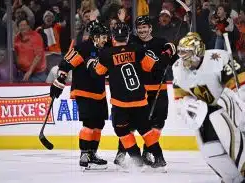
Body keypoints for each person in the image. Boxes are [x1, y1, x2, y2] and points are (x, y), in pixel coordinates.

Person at [86, 23, 175, 169]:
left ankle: (137, 160)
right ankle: (159, 158)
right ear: (127, 36)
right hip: (140, 100)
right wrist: (167, 53)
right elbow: (153, 66)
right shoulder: (138, 49)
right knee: (146, 130)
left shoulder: (107, 54)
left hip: (120, 103)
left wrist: (91, 64)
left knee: (122, 130)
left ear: (113, 37)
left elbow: (97, 73)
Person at [172, 32, 245, 183]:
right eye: (181, 52)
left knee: (233, 140)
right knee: (210, 150)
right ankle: (232, 178)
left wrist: (240, 100)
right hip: (206, 111)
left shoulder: (218, 58)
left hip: (225, 108)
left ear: (198, 50)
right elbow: (180, 94)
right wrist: (185, 103)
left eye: (187, 52)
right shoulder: (178, 68)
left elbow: (241, 79)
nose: (183, 57)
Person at [114, 15, 177, 167]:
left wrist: (169, 53)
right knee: (131, 124)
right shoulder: (132, 42)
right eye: (139, 28)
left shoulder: (160, 42)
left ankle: (147, 152)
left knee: (157, 123)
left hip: (158, 90)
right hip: (138, 91)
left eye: (145, 27)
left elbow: (173, 55)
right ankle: (121, 152)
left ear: (150, 28)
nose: (142, 30)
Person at [49, 21, 109, 170]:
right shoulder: (82, 48)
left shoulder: (105, 49)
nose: (105, 39)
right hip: (83, 91)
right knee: (88, 124)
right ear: (95, 37)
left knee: (99, 124)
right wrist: (60, 79)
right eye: (103, 37)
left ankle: (92, 154)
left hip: (99, 92)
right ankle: (84, 153)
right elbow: (65, 64)